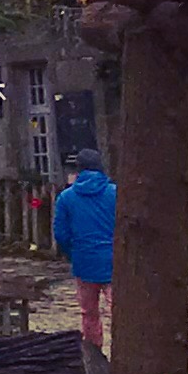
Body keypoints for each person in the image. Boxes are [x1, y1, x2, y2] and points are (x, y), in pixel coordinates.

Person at [52, 150, 116, 361]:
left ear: (78, 170)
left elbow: (61, 233)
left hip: (84, 261)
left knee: (89, 313)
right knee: (119, 311)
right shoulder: (115, 193)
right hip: (114, 261)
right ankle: (124, 353)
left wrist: (73, 252)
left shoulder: (66, 197)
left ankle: (94, 355)